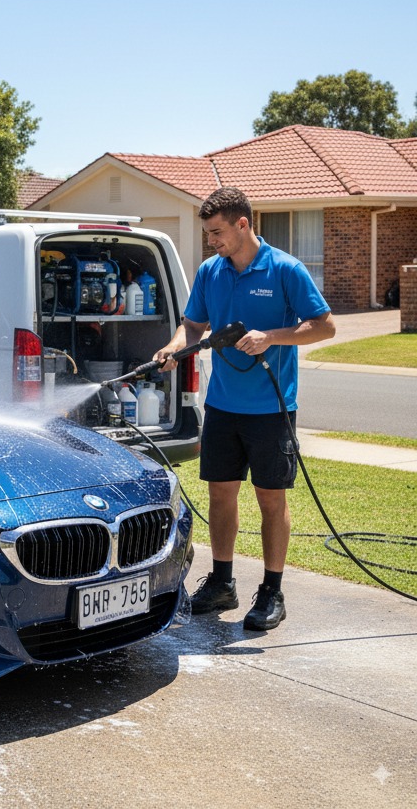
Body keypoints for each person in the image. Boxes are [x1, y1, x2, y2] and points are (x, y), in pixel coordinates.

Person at [153, 186, 335, 631]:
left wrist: (273, 336)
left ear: (242, 224)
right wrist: (176, 346)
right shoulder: (211, 271)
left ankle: (272, 592)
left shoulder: (285, 269)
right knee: (220, 494)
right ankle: (221, 583)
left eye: (217, 233)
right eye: (207, 234)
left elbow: (324, 326)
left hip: (272, 409)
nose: (212, 241)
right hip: (223, 405)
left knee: (271, 499)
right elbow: (194, 323)